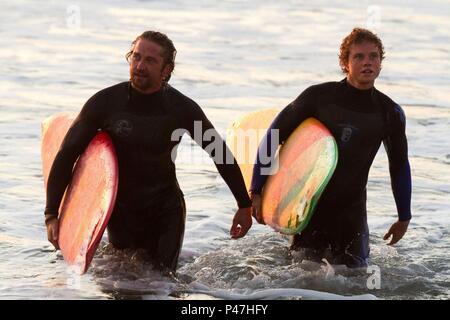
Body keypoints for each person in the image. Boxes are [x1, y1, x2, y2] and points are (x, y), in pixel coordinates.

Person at [44, 31, 252, 272]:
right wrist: (52, 214)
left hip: (165, 211)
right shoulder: (105, 103)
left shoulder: (182, 109)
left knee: (162, 284)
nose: (140, 66)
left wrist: (243, 205)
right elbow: (67, 154)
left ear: (167, 69)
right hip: (120, 212)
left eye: (150, 60)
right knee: (121, 288)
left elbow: (219, 153)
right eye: (136, 57)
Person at [250, 28, 412, 268]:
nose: (367, 62)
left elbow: (398, 165)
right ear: (345, 63)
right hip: (309, 210)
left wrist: (404, 216)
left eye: (373, 56)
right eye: (358, 56)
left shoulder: (390, 113)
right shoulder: (319, 98)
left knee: (354, 282)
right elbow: (274, 136)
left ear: (380, 62)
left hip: (352, 214)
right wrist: (257, 189)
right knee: (299, 277)